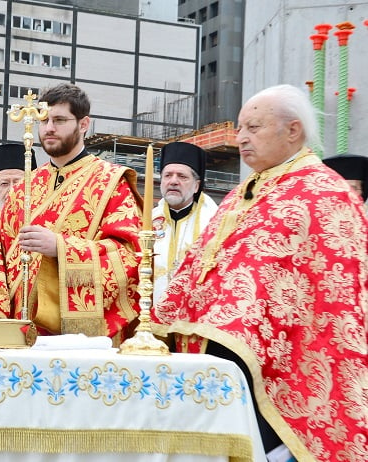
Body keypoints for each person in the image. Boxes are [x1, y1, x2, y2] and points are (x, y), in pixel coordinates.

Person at [153, 84, 367, 461]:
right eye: (239, 128)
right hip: (218, 353)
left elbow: (335, 290)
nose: (241, 138)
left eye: (253, 127)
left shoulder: (325, 192)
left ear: (293, 130)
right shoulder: (243, 192)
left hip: (286, 358)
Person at [0, 83, 143, 344]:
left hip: (80, 339)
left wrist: (60, 247)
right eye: (44, 120)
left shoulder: (111, 182)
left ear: (84, 124)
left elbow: (130, 256)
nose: (48, 128)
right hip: (19, 334)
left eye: (59, 120)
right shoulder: (23, 187)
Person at [151, 141, 218, 304]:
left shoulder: (214, 222)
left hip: (194, 317)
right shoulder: (147, 220)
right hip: (150, 316)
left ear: (196, 186)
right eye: (168, 175)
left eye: (182, 176)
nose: (173, 181)